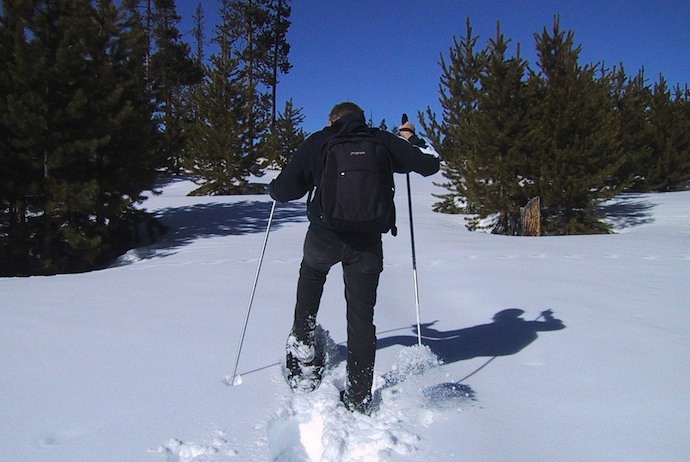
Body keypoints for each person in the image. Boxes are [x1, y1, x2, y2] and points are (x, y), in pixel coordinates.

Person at [268, 102, 440, 414]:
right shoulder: (382, 141)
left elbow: (287, 188)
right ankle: (359, 397)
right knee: (362, 319)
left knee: (311, 275)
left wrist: (273, 190)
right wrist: (410, 139)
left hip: (324, 235)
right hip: (367, 243)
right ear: (361, 118)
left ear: (332, 120)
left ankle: (305, 345)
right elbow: (430, 164)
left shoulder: (320, 141)